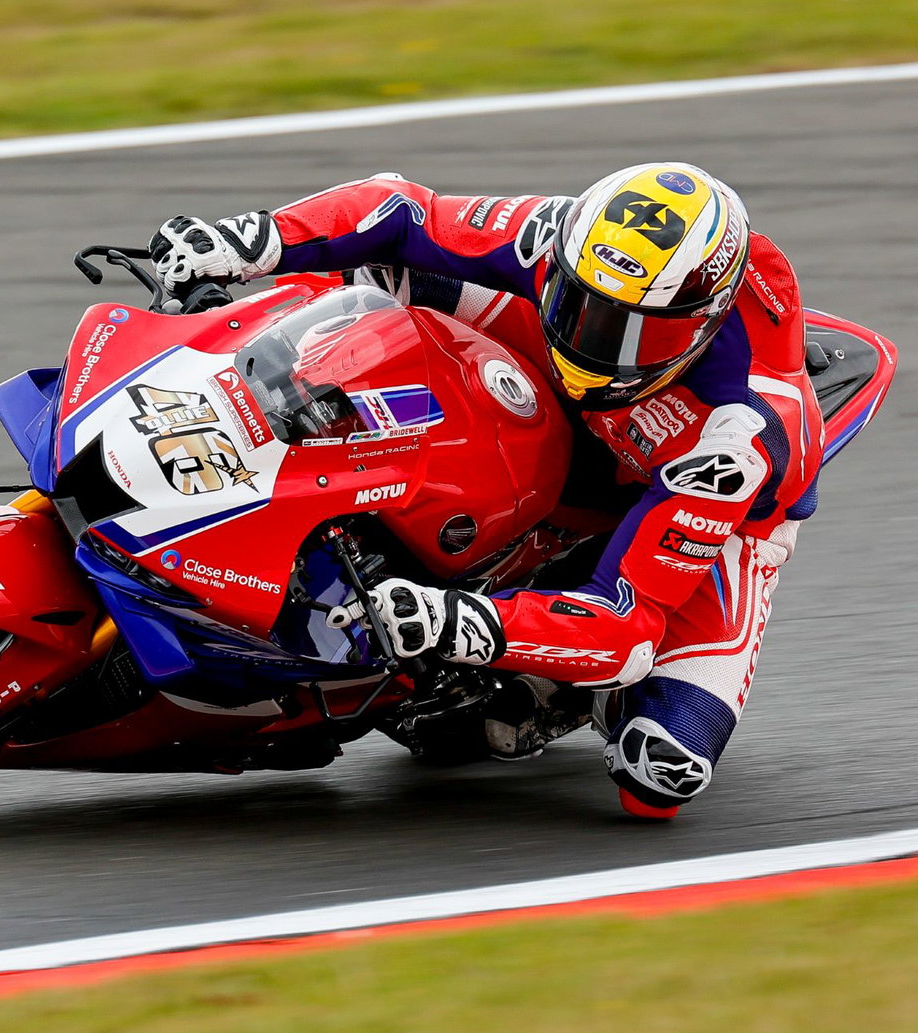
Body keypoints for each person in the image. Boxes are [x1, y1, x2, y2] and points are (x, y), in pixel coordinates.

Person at [149, 164, 820, 818]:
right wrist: (250, 241)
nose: (591, 338)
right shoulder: (560, 237)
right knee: (378, 277)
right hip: (566, 390)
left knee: (661, 771)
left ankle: (550, 682)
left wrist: (458, 624)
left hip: (706, 503)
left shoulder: (737, 440)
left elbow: (627, 627)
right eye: (578, 304)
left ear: (697, 327)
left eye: (628, 331)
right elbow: (402, 212)